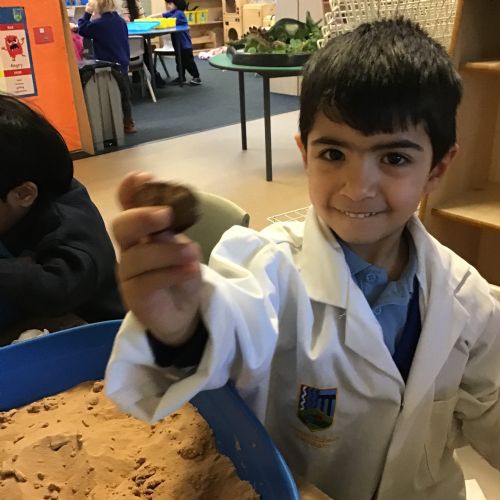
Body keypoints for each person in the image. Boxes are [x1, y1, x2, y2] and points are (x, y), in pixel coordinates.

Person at [104, 18, 500, 500]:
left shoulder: (468, 299)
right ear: (305, 152)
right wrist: (182, 330)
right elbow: (230, 322)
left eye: (394, 158)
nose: (357, 188)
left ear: (437, 168)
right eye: (333, 154)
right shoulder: (266, 267)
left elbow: (492, 407)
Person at [0, 94, 124, 344]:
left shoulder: (68, 223)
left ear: (23, 194)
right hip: (35, 320)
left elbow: (57, 289)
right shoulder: (18, 200)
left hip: (100, 338)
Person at [77, 0, 137, 133]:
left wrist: (87, 13)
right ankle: (128, 122)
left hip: (108, 65)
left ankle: (110, 124)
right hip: (123, 61)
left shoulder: (99, 24)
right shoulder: (120, 21)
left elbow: (82, 29)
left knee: (109, 94)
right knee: (124, 95)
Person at [160, 0, 201, 85]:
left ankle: (196, 77)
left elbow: (169, 20)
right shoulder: (173, 12)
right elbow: (163, 15)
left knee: (188, 62)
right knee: (179, 61)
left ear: (177, 4)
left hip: (184, 44)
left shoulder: (179, 13)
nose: (168, 6)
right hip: (178, 44)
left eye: (170, 4)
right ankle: (181, 77)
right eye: (167, 4)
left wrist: (160, 19)